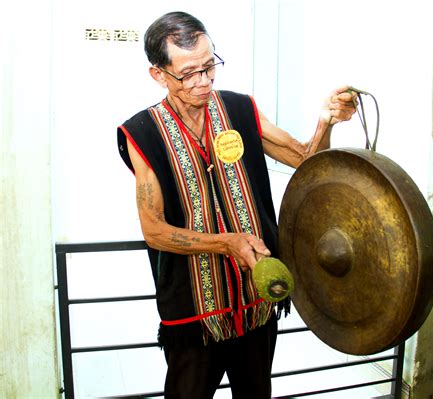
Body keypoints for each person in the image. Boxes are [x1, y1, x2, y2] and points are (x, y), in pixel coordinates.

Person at [117, 11, 356, 399]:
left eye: (210, 66)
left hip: (257, 296)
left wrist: (325, 122)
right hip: (195, 312)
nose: (204, 81)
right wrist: (227, 243)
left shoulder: (239, 109)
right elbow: (154, 230)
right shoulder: (142, 132)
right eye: (188, 73)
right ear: (158, 75)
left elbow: (305, 159)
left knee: (255, 393)